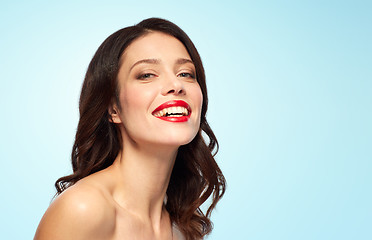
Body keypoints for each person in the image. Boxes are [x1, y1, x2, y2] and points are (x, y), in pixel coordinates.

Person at [34, 18, 226, 240]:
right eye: (146, 75)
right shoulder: (84, 209)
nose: (176, 85)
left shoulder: (183, 228)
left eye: (186, 73)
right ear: (113, 109)